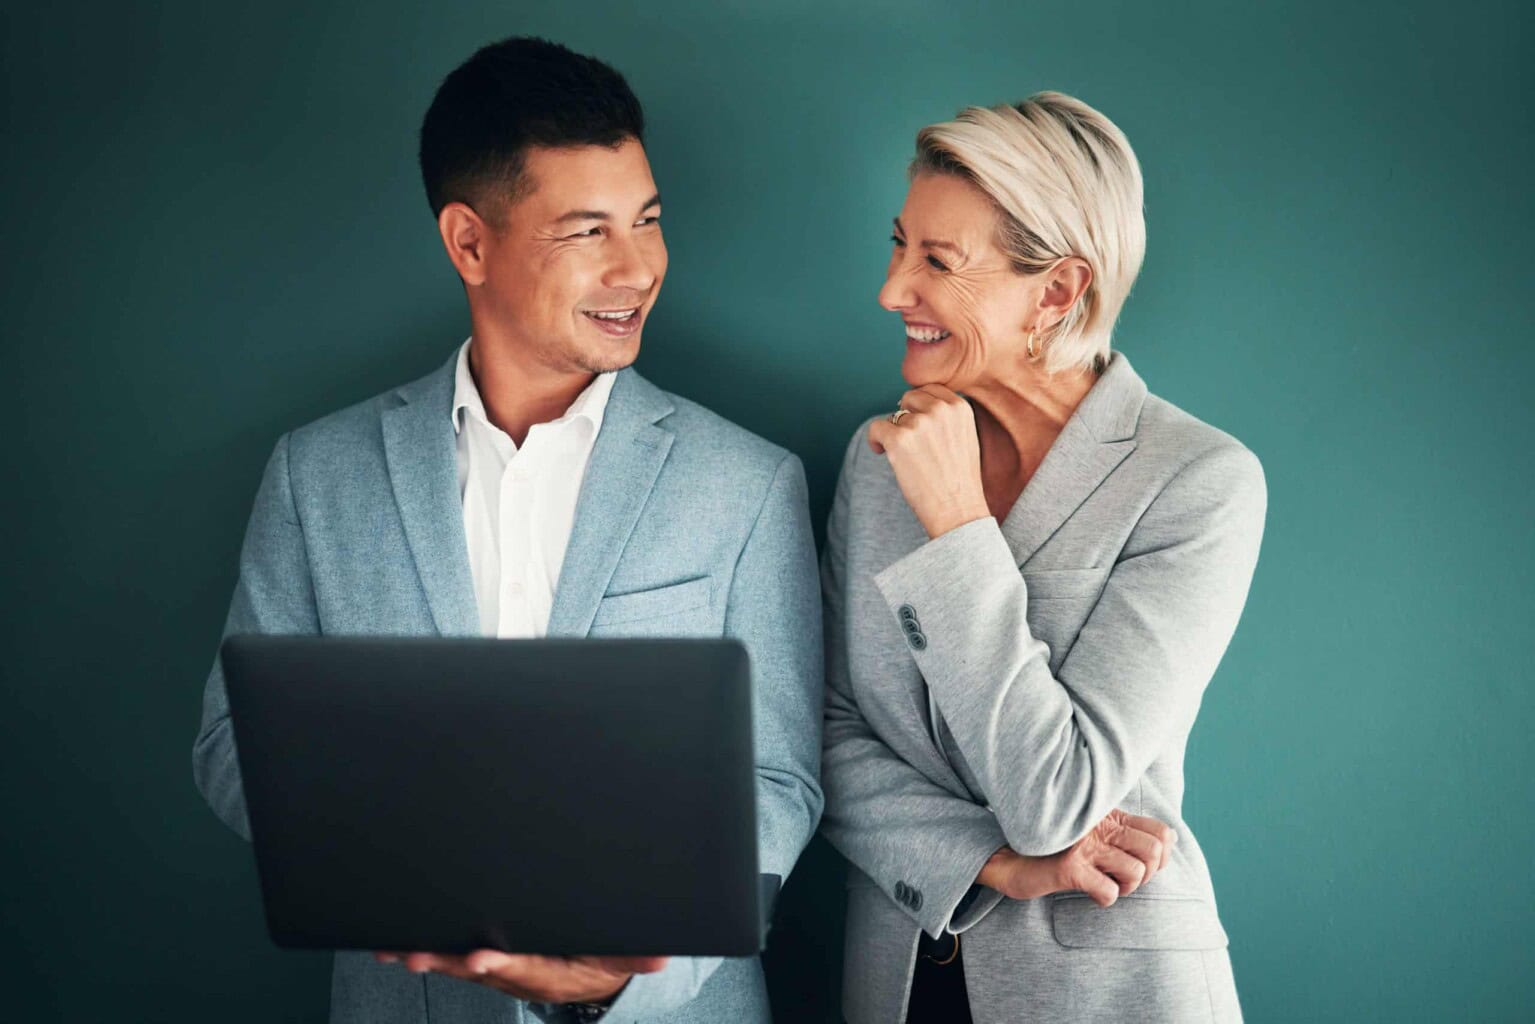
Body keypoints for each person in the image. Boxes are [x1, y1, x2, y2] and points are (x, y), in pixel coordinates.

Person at [192, 36, 823, 1024]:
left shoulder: (747, 482)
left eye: (647, 221)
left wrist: (634, 969)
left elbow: (778, 779)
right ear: (468, 243)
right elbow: (232, 741)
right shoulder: (316, 474)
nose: (638, 267)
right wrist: (409, 868)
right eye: (587, 233)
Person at [820, 93, 1265, 1023]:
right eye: (899, 245)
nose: (892, 291)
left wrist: (954, 526)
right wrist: (990, 865)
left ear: (1058, 292)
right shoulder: (875, 463)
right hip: (897, 976)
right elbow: (826, 735)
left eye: (937, 262)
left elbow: (1056, 798)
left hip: (1110, 988)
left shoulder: (1198, 482)